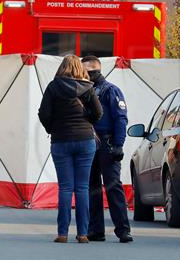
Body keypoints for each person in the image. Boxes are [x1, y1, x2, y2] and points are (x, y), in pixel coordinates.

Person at [38, 55, 103, 244]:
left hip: (61, 140)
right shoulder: (88, 87)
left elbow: (44, 113)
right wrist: (87, 123)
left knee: (65, 188)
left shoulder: (53, 87)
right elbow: (98, 113)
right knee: (82, 188)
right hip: (85, 141)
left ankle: (62, 233)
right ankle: (83, 234)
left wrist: (53, 128)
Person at [81, 56, 133, 243]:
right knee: (91, 187)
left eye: (85, 72)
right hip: (89, 143)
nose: (82, 75)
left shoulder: (111, 91)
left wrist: (119, 144)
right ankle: (96, 230)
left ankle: (123, 230)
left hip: (107, 143)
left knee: (113, 186)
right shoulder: (84, 91)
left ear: (94, 72)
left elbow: (120, 118)